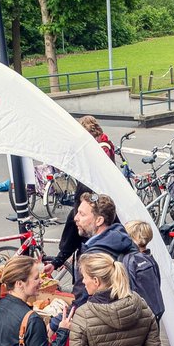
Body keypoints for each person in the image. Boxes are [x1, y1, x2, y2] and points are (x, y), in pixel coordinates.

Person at [46, 115, 115, 270]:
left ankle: (63, 258)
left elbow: (98, 173)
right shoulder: (103, 144)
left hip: (91, 194)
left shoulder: (98, 149)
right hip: (95, 196)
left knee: (75, 221)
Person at [70, 192, 137, 308]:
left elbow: (80, 300)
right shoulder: (124, 239)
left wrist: (55, 322)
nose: (76, 218)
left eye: (82, 214)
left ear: (99, 220)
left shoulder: (93, 257)